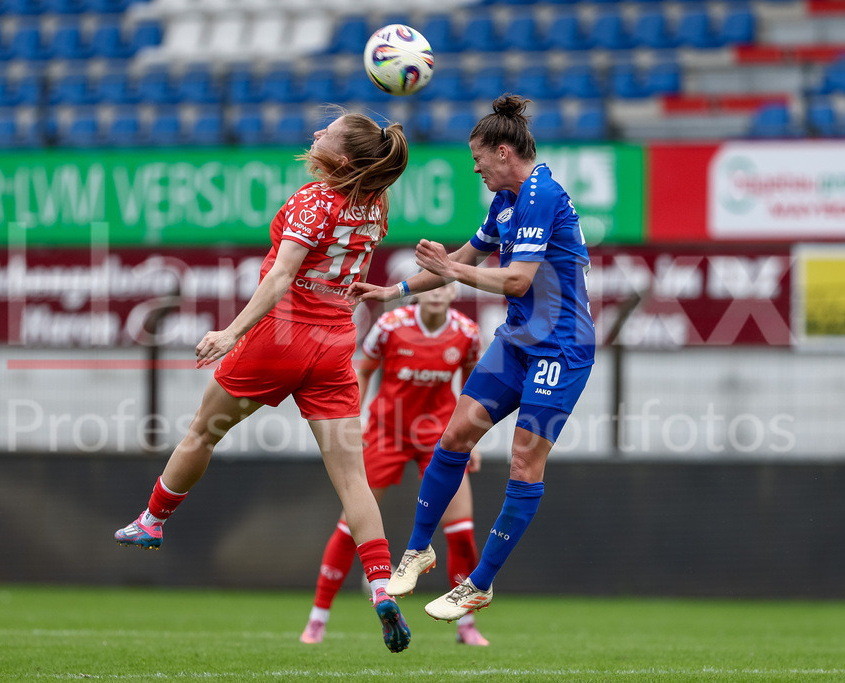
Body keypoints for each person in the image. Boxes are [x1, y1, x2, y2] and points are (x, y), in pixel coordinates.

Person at [113, 110, 414, 653]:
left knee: (203, 433)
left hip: (281, 337)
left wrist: (231, 332)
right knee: (352, 480)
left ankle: (153, 520)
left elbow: (280, 277)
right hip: (335, 345)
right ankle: (379, 586)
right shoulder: (376, 202)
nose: (317, 132)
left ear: (341, 158)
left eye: (328, 131)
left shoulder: (311, 200)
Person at [348, 94, 596, 623]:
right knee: (455, 435)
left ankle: (479, 584)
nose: (476, 168)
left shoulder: (540, 194)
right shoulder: (506, 202)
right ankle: (418, 550)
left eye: (478, 158)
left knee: (525, 462)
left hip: (563, 346)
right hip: (519, 340)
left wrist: (453, 272)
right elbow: (459, 261)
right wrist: (390, 292)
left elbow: (516, 279)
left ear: (503, 152)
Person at [299, 284, 491, 647]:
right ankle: (317, 620)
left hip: (439, 438)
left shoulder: (466, 332)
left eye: (444, 283)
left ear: (453, 291)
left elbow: (471, 387)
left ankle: (466, 626)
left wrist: (471, 438)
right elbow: (362, 370)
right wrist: (354, 422)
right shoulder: (390, 325)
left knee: (462, 531)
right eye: (429, 283)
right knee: (349, 523)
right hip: (387, 432)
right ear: (418, 291)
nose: (436, 291)